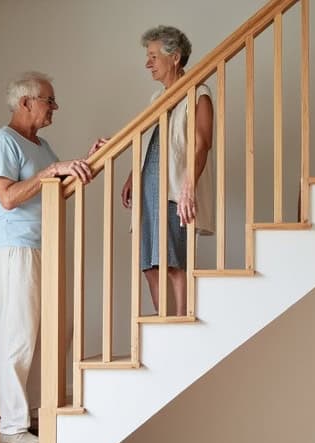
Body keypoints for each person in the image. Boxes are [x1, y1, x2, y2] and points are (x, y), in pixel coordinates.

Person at [0, 71, 104, 443]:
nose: (55, 108)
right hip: (13, 245)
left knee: (53, 331)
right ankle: (13, 427)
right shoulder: (4, 141)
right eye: (49, 101)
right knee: (17, 334)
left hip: (42, 245)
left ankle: (33, 412)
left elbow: (55, 192)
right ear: (26, 103)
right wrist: (52, 170)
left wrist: (88, 162)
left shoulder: (42, 145)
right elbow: (7, 197)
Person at [122, 25, 215, 316]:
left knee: (174, 260)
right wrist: (131, 176)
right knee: (149, 264)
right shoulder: (156, 99)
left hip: (175, 189)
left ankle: (181, 321)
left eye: (153, 56)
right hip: (149, 186)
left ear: (174, 57)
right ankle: (164, 323)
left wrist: (189, 188)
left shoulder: (199, 92)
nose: (147, 63)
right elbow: (149, 140)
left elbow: (201, 143)